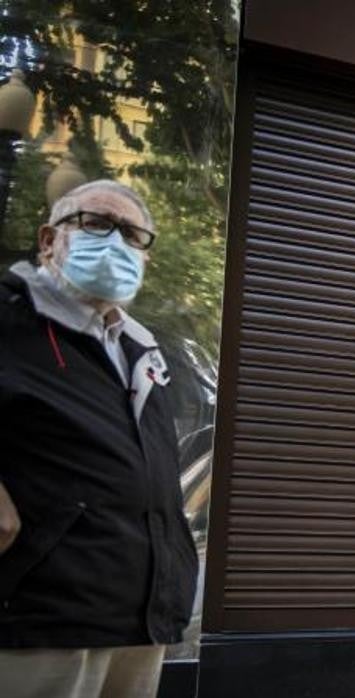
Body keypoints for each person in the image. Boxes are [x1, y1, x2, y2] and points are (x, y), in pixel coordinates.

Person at [0, 180, 197, 698]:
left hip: (139, 622)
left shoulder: (142, 350)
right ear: (49, 240)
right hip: (40, 627)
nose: (116, 242)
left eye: (132, 235)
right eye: (96, 223)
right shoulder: (10, 317)